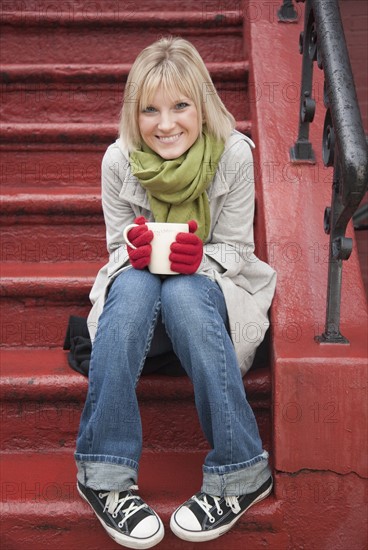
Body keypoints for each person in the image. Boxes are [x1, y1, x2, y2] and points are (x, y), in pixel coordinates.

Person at [75, 36, 277, 549]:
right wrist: (135, 251)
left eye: (180, 106)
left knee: (185, 292)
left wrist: (198, 258)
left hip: (209, 307)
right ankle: (105, 475)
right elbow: (115, 247)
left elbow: (236, 249)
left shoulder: (233, 154)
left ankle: (240, 469)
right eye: (150, 110)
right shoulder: (119, 160)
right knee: (138, 283)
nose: (165, 124)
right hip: (138, 313)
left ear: (202, 104)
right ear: (134, 114)